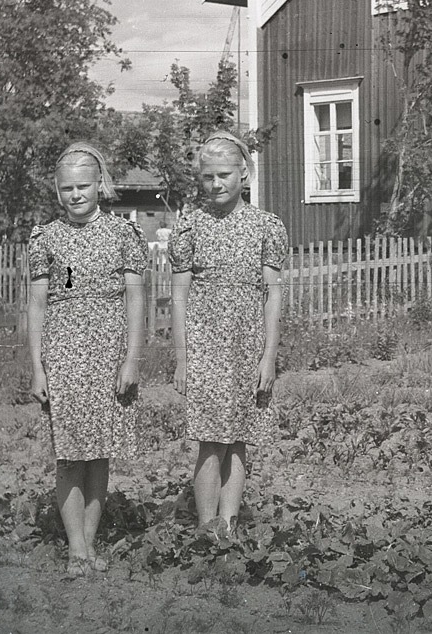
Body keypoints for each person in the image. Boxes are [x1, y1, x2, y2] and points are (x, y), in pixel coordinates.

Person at [27, 142, 147, 577]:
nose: (75, 195)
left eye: (83, 186)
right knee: (70, 454)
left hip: (109, 354)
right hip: (63, 357)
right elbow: (37, 305)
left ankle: (90, 544)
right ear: (57, 191)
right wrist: (38, 366)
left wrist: (131, 359)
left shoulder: (123, 235)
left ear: (100, 184)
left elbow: (136, 297)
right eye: (66, 189)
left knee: (100, 454)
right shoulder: (46, 237)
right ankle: (76, 548)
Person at [169, 131, 288, 531]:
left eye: (224, 175)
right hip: (205, 347)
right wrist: (183, 358)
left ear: (245, 175)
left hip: (248, 346)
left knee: (239, 436)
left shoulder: (265, 227)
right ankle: (206, 527)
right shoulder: (191, 227)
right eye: (208, 177)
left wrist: (268, 357)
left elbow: (273, 296)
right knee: (209, 439)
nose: (216, 184)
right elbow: (179, 296)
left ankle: (229, 526)